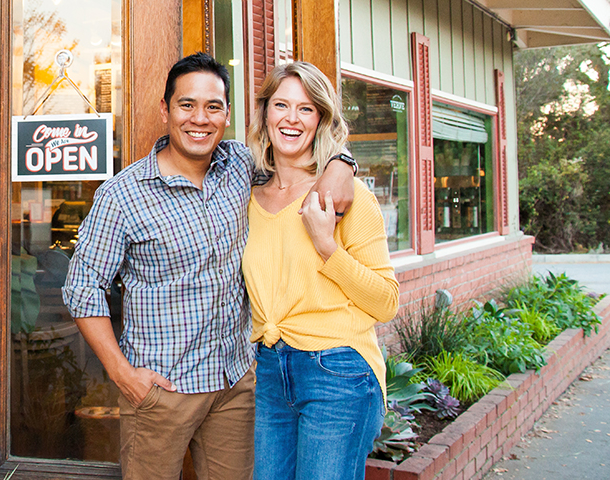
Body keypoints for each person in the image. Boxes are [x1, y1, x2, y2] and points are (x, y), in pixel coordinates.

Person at [62, 52, 357, 479]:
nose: (200, 119)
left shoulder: (240, 166)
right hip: (162, 389)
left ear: (227, 114)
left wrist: (341, 164)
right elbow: (82, 286)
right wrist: (122, 373)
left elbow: (303, 148)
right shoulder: (122, 195)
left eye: (213, 107)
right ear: (165, 109)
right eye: (187, 105)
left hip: (235, 384)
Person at [242, 61, 400, 480]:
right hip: (271, 372)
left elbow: (386, 302)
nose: (292, 119)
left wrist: (327, 245)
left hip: (338, 373)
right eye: (281, 105)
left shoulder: (348, 197)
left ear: (321, 120)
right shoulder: (245, 197)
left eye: (307, 109)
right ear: (265, 113)